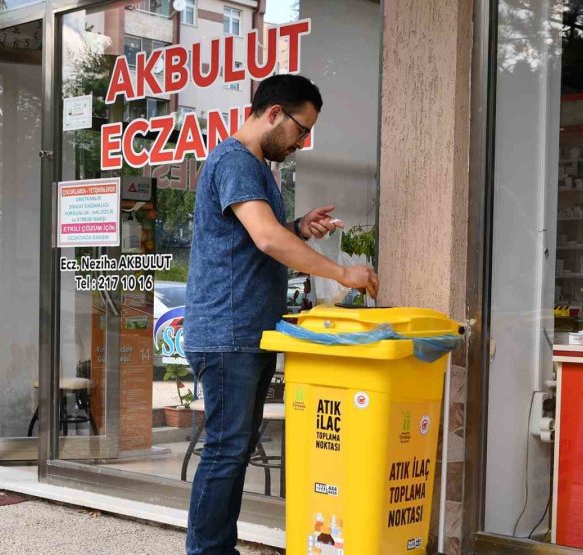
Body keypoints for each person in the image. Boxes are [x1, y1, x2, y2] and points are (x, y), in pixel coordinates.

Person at [183, 74, 379, 554]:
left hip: (248, 331)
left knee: (234, 449)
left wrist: (299, 227)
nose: (301, 142)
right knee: (227, 450)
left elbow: (261, 235)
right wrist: (342, 272)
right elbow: (267, 239)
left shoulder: (254, 167)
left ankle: (216, 548)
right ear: (274, 113)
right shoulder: (235, 160)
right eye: (301, 129)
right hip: (228, 331)